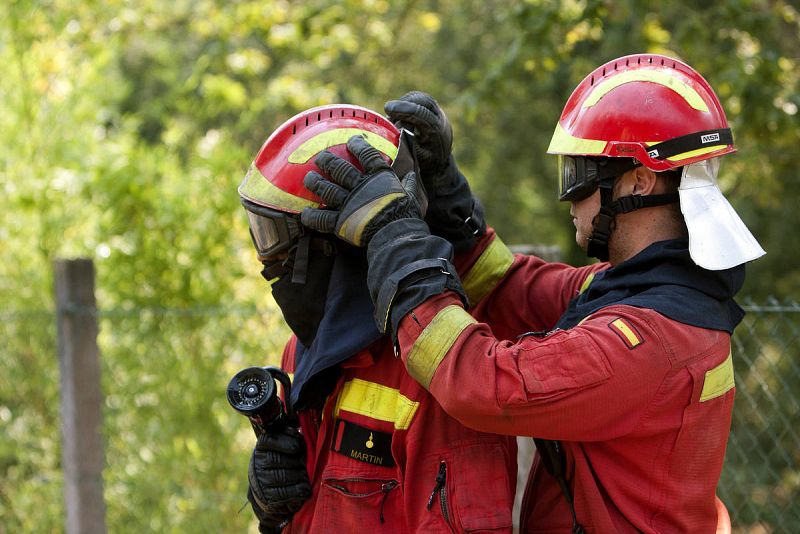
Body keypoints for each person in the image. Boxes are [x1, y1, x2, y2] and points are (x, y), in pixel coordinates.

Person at [299, 54, 766, 532]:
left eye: (578, 174)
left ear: (638, 183)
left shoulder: (643, 341)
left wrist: (395, 239)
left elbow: (484, 386)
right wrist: (446, 199)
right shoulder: (651, 290)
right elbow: (511, 290)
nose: (568, 196)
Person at [237, 103, 517, 533]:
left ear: (336, 242)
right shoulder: (306, 352)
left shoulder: (441, 378)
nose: (266, 258)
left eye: (275, 235)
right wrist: (275, 506)